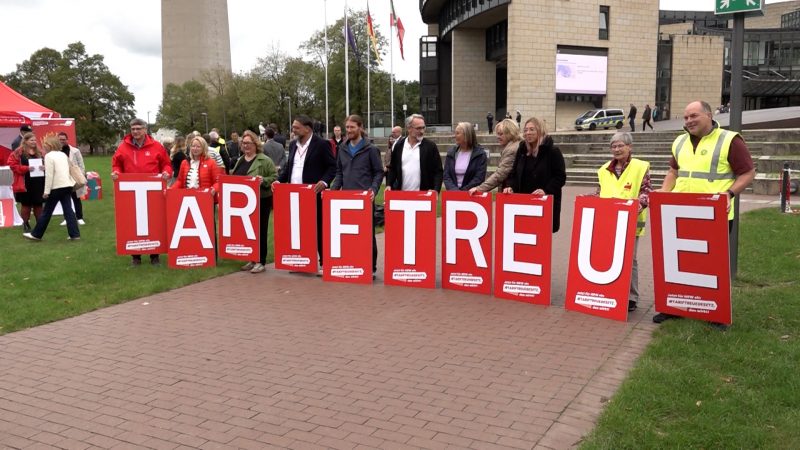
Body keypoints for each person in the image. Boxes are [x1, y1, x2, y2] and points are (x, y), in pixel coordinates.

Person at [653, 100, 755, 327]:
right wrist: (663, 192)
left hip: (713, 214)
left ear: (709, 115)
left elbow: (748, 173)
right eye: (686, 117)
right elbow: (673, 171)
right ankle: (675, 306)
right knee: (677, 262)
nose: (689, 121)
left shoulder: (730, 140)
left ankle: (714, 312)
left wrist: (729, 194)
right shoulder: (679, 141)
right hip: (678, 212)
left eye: (694, 116)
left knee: (711, 266)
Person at [595, 131, 651, 312]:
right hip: (609, 221)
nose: (617, 149)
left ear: (629, 147)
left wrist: (638, 206)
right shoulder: (603, 169)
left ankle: (631, 297)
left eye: (620, 145)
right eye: (614, 146)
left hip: (632, 222)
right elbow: (599, 193)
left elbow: (646, 192)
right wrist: (586, 199)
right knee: (610, 257)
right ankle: (611, 291)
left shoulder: (640, 167)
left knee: (630, 259)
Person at [273, 115, 337, 271]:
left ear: (307, 128)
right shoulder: (294, 144)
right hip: (294, 195)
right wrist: (279, 181)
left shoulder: (321, 144)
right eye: (293, 127)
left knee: (319, 228)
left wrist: (324, 182)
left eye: (296, 127)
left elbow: (332, 167)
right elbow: (289, 167)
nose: (293, 130)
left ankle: (324, 262)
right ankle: (302, 261)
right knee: (299, 229)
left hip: (312, 193)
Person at [111, 118, 173, 266]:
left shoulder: (157, 147)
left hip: (153, 191)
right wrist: (116, 173)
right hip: (130, 191)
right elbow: (116, 164)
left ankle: (154, 255)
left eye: (138, 129)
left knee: (154, 220)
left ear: (145, 130)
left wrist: (166, 173)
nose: (135, 132)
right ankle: (135, 256)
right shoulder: (123, 147)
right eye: (133, 129)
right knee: (132, 221)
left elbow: (166, 164)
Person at [330, 115, 384, 277]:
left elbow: (378, 172)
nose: (349, 130)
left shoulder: (371, 149)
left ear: (360, 127)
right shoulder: (342, 148)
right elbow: (339, 172)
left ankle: (371, 267)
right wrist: (333, 191)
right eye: (347, 127)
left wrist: (373, 190)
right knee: (349, 234)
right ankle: (352, 262)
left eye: (352, 127)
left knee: (367, 235)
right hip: (346, 199)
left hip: (364, 199)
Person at [501, 117, 567, 232]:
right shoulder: (521, 150)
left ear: (540, 131)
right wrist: (510, 186)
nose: (528, 133)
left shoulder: (553, 151)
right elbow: (514, 173)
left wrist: (545, 190)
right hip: (523, 203)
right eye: (525, 130)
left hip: (543, 204)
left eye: (532, 129)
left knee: (540, 240)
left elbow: (560, 177)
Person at [231, 130, 277, 274]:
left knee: (261, 230)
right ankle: (252, 258)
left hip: (261, 199)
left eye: (248, 143)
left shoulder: (264, 160)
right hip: (244, 203)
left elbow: (274, 176)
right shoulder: (241, 160)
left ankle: (260, 261)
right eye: (243, 143)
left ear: (256, 144)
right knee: (249, 231)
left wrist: (264, 180)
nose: (246, 146)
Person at [22, 135, 80, 241]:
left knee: (47, 212)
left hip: (56, 187)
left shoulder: (49, 156)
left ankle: (36, 234)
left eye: (45, 144)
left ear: (49, 145)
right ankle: (75, 234)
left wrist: (46, 191)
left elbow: (50, 175)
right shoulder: (62, 154)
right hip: (67, 185)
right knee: (68, 210)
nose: (43, 146)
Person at [386, 114, 443, 192]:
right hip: (402, 196)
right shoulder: (399, 146)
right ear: (409, 128)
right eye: (418, 128)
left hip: (424, 195)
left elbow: (438, 171)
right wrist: (389, 184)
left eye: (423, 127)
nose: (422, 131)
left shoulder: (430, 146)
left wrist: (436, 190)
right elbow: (393, 168)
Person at [470, 119, 522, 194]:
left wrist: (479, 189)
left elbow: (500, 175)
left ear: (510, 133)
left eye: (501, 134)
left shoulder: (511, 150)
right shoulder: (514, 146)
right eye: (497, 134)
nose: (498, 137)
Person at [8, 132, 45, 232]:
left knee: (38, 203)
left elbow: (46, 162)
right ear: (25, 141)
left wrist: (44, 167)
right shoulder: (18, 152)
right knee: (26, 204)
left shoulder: (40, 152)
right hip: (25, 182)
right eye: (31, 140)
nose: (34, 142)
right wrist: (26, 168)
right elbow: (12, 165)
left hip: (38, 182)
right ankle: (26, 223)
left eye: (34, 140)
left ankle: (40, 224)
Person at [443, 122, 488, 191]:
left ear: (466, 135)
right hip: (452, 194)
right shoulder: (451, 153)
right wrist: (454, 190)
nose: (454, 136)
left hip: (471, 195)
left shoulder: (480, 154)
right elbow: (446, 175)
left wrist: (463, 192)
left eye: (457, 133)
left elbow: (479, 178)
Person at [57, 132, 87, 226]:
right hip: (62, 178)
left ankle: (79, 217)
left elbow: (81, 164)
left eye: (63, 139)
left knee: (76, 198)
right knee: (65, 199)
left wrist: (80, 176)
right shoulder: (56, 152)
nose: (62, 141)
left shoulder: (75, 151)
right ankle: (67, 218)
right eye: (60, 139)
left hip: (74, 178)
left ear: (67, 140)